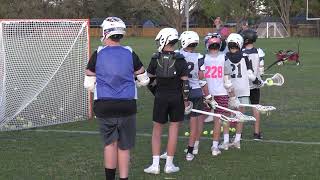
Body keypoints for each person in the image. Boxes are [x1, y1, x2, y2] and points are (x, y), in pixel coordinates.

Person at [84, 17, 148, 180]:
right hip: (127, 105)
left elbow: (89, 84)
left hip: (105, 105)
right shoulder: (129, 52)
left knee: (110, 144)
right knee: (124, 146)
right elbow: (144, 79)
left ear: (106, 33)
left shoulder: (97, 54)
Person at [144, 28, 190, 174]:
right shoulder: (181, 59)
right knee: (173, 130)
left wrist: (156, 93)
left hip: (161, 97)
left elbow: (148, 80)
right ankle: (169, 165)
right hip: (177, 98)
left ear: (163, 40)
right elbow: (185, 84)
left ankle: (155, 165)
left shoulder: (154, 58)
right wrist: (186, 100)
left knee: (157, 131)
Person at [224, 33, 262, 149]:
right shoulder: (245, 57)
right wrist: (258, 81)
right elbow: (251, 76)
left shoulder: (224, 57)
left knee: (227, 115)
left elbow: (226, 78)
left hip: (230, 90)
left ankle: (225, 141)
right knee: (240, 115)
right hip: (243, 90)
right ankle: (237, 140)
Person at [200, 35, 232, 156]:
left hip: (207, 93)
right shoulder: (224, 58)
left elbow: (200, 76)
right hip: (222, 92)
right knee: (221, 119)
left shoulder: (203, 58)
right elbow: (228, 79)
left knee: (200, 119)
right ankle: (216, 146)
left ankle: (194, 147)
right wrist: (232, 96)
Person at [178, 31, 206, 161]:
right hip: (196, 91)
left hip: (181, 91)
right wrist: (208, 95)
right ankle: (191, 150)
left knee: (176, 122)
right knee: (194, 121)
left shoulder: (178, 55)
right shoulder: (199, 57)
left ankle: (169, 150)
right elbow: (201, 77)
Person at [240, 29, 265, 140]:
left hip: (243, 84)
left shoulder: (241, 53)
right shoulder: (259, 52)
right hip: (255, 84)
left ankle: (238, 134)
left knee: (241, 109)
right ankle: (257, 133)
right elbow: (261, 69)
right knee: (256, 107)